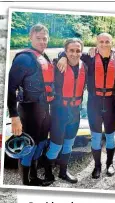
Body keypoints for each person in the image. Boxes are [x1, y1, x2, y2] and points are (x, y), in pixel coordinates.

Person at [57, 33, 115, 179]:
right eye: (101, 42)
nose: (104, 44)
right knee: (96, 138)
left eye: (107, 41)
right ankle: (97, 166)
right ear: (96, 43)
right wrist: (63, 57)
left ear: (111, 43)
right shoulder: (88, 56)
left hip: (111, 103)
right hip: (93, 104)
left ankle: (109, 164)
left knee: (111, 137)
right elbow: (67, 51)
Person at [7, 24, 55, 186]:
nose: (42, 42)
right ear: (30, 38)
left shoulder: (43, 57)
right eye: (38, 38)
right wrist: (14, 116)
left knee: (41, 143)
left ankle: (34, 177)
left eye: (45, 38)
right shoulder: (24, 58)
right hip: (28, 111)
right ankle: (26, 182)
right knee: (29, 146)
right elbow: (10, 88)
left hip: (44, 109)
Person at [44, 38, 87, 184]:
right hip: (59, 112)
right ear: (66, 51)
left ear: (81, 52)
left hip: (75, 112)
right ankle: (48, 173)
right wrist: (62, 55)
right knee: (56, 146)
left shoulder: (85, 67)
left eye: (78, 50)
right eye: (71, 51)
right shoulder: (57, 65)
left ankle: (63, 172)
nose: (74, 54)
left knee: (68, 144)